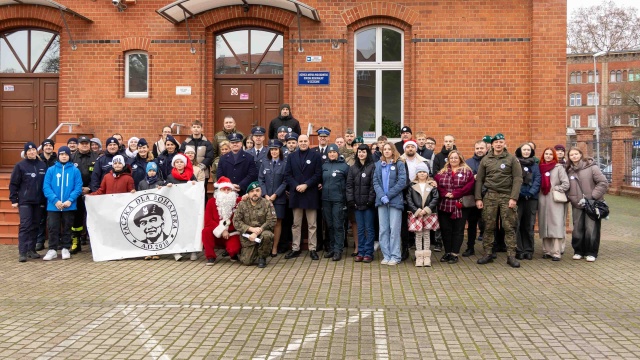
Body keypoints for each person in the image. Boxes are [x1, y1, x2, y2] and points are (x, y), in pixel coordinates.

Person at [475, 133, 523, 268]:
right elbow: (479, 180)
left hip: (507, 196)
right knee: (488, 226)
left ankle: (511, 256)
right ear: (493, 144)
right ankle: (488, 253)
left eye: (501, 142)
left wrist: (514, 197)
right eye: (496, 142)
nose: (498, 144)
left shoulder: (512, 159)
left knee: (509, 226)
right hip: (490, 196)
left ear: (504, 144)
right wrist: (478, 198)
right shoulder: (486, 159)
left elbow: (518, 179)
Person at [566, 147, 609, 262]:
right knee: (578, 228)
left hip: (592, 204)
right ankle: (578, 251)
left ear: (581, 154)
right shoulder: (569, 170)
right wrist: (571, 198)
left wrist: (592, 197)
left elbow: (603, 183)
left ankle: (591, 252)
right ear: (569, 157)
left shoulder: (592, 167)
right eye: (571, 155)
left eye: (576, 154)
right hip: (577, 204)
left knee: (591, 228)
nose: (574, 156)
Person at [284, 134, 323, 260]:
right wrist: (296, 186)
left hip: (310, 193)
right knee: (296, 224)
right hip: (296, 194)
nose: (303, 143)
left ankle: (312, 249)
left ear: (309, 142)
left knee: (312, 224)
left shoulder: (315, 156)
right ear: (297, 143)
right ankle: (295, 248)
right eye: (300, 141)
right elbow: (288, 175)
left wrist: (306, 185)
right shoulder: (291, 157)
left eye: (305, 141)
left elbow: (318, 174)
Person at [42, 146, 83, 261]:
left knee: (67, 227)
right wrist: (55, 201)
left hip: (69, 205)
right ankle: (52, 249)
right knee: (53, 227)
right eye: (61, 154)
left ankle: (65, 248)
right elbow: (46, 187)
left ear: (69, 156)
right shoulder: (51, 170)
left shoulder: (75, 170)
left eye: (66, 154)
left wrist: (70, 200)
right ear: (58, 155)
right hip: (53, 205)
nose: (64, 156)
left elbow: (78, 187)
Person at [434, 150, 475, 264]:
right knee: (446, 230)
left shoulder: (467, 172)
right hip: (444, 204)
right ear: (448, 159)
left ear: (460, 159)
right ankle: (447, 252)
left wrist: (455, 194)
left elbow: (469, 186)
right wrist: (444, 193)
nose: (453, 160)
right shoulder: (442, 172)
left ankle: (454, 253)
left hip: (460, 205)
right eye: (451, 158)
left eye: (456, 158)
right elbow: (436, 184)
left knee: (458, 230)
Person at [9, 142, 47, 262]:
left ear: (36, 151)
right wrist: (13, 199)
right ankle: (23, 252)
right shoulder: (20, 166)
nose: (31, 152)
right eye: (29, 151)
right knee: (25, 226)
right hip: (25, 201)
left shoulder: (42, 165)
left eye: (33, 150)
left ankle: (32, 249)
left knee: (36, 226)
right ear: (25, 153)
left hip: (39, 201)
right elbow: (14, 184)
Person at [373, 142, 407, 266]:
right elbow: (375, 181)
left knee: (394, 229)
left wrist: (389, 195)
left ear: (393, 151)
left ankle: (395, 256)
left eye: (389, 149)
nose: (386, 151)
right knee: (383, 229)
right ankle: (386, 255)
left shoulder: (399, 164)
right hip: (381, 202)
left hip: (395, 201)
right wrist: (382, 196)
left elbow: (402, 181)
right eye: (384, 149)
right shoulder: (378, 165)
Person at [233, 182, 277, 268]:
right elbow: (236, 221)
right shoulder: (242, 204)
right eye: (252, 191)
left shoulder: (267, 204)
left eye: (257, 191)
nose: (255, 193)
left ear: (261, 192)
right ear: (248, 193)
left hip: (263, 232)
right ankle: (251, 251)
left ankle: (262, 257)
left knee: (267, 235)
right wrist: (251, 229)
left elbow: (272, 220)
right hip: (248, 236)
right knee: (247, 262)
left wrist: (258, 231)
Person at [164, 154, 198, 261]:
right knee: (177, 228)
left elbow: (197, 188)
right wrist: (167, 186)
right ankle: (176, 251)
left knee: (189, 227)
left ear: (185, 163)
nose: (179, 164)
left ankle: (192, 250)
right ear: (174, 164)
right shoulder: (170, 177)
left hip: (188, 207)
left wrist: (194, 184)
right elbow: (165, 190)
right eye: (177, 162)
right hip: (176, 206)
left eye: (181, 162)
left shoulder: (191, 175)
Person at [538, 147, 570, 261]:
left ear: (554, 156)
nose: (548, 156)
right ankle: (546, 251)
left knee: (555, 224)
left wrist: (555, 188)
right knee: (544, 224)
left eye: (550, 154)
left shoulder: (558, 167)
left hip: (555, 199)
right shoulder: (540, 167)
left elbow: (566, 183)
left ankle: (556, 252)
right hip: (542, 198)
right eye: (546, 154)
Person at [201, 177, 242, 265]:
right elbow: (208, 221)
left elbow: (247, 200)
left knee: (234, 249)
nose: (226, 192)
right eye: (224, 189)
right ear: (219, 190)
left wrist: (247, 197)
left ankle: (233, 254)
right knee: (205, 231)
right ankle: (210, 257)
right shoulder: (211, 202)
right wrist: (222, 230)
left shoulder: (237, 201)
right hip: (215, 233)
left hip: (231, 233)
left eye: (229, 189)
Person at [346, 143, 377, 263]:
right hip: (356, 204)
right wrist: (351, 200)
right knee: (360, 228)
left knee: (369, 228)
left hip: (368, 204)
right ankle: (361, 251)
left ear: (367, 153)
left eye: (364, 152)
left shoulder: (372, 167)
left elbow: (373, 185)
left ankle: (369, 252)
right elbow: (349, 185)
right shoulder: (353, 168)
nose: (361, 154)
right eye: (359, 152)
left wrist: (370, 200)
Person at [406, 163, 439, 267]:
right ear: (416, 174)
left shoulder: (432, 185)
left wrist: (427, 209)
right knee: (418, 235)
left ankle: (427, 257)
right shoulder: (412, 186)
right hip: (416, 214)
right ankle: (419, 257)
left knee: (426, 235)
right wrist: (416, 210)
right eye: (420, 172)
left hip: (428, 214)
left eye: (424, 172)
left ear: (427, 173)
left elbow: (435, 198)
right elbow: (409, 199)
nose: (422, 173)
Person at [70, 135, 99, 253]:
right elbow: (69, 176)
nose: (85, 145)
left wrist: (90, 188)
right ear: (78, 145)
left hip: (92, 193)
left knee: (93, 218)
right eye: (82, 143)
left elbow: (98, 176)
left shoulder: (97, 157)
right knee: (76, 219)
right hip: (76, 193)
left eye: (87, 143)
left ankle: (95, 244)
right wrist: (78, 189)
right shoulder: (72, 158)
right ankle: (75, 242)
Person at [321, 144, 350, 261]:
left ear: (338, 153)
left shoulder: (344, 167)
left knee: (338, 225)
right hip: (326, 200)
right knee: (330, 225)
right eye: (330, 152)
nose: (332, 154)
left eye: (334, 152)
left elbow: (348, 184)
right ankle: (332, 248)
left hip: (338, 200)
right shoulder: (324, 165)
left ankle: (338, 250)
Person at [259, 139, 287, 257]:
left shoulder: (284, 163)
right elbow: (261, 179)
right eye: (271, 150)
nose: (273, 152)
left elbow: (285, 181)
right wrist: (265, 195)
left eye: (275, 149)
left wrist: (275, 195)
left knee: (277, 222)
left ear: (279, 150)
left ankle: (274, 247)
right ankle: (266, 246)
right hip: (265, 198)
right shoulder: (265, 163)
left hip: (279, 198)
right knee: (265, 222)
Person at [514, 143, 541, 260]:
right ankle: (519, 250)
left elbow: (537, 180)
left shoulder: (535, 165)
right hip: (518, 198)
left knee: (529, 225)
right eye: (524, 150)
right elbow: (514, 179)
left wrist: (530, 193)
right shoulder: (515, 164)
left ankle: (528, 250)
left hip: (531, 198)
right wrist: (519, 192)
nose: (526, 152)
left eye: (528, 150)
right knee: (517, 224)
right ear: (520, 151)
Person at [463, 140, 488, 256]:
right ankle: (470, 247)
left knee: (489, 224)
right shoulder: (468, 163)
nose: (479, 150)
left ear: (486, 149)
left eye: (481, 148)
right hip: (473, 197)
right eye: (477, 148)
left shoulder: (491, 161)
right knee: (472, 224)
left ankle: (489, 249)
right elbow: (464, 180)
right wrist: (473, 177)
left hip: (488, 197)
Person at [179, 120, 215, 197]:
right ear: (191, 129)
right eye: (194, 127)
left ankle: (203, 209)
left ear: (202, 129)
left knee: (202, 192)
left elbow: (209, 156)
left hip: (203, 171)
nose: (196, 129)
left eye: (198, 127)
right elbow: (181, 155)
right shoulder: (186, 142)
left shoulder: (207, 143)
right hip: (187, 170)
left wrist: (200, 167)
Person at [35, 139, 57, 251]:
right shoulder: (37, 160)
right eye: (46, 145)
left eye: (50, 145)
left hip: (55, 193)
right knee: (41, 218)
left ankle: (56, 241)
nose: (48, 147)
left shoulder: (57, 159)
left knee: (54, 219)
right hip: (41, 193)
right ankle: (40, 241)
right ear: (42, 148)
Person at [312, 126, 331, 251]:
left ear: (328, 138)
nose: (322, 139)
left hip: (328, 188)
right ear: (318, 138)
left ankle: (328, 243)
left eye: (325, 137)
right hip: (315, 189)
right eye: (321, 137)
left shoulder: (332, 151)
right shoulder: (313, 152)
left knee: (328, 217)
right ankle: (318, 242)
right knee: (317, 217)